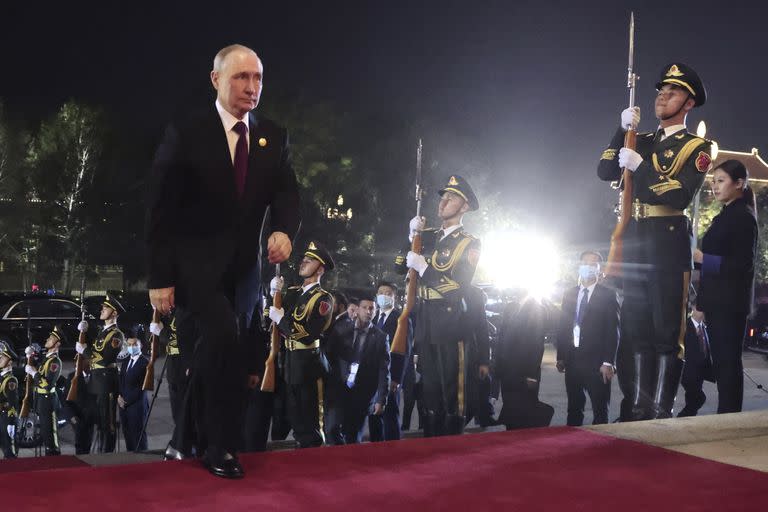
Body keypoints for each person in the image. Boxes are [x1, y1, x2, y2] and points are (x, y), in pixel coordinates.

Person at [145, 44, 300, 478]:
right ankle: (221, 448)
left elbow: (287, 193)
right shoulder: (187, 131)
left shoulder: (273, 136)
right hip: (193, 268)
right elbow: (160, 209)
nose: (252, 87)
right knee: (224, 337)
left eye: (258, 78)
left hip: (245, 272)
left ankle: (182, 439)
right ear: (216, 79)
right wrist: (159, 277)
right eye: (240, 77)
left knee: (226, 351)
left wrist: (285, 230)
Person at [597, 62, 713, 420]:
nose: (662, 96)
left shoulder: (698, 147)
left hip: (668, 241)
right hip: (636, 240)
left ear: (688, 103)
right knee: (634, 329)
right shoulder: (641, 139)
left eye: (673, 91)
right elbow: (604, 171)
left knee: (666, 333)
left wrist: (641, 167)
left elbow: (678, 195)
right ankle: (638, 406)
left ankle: (662, 409)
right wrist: (621, 131)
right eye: (661, 91)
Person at [398, 175, 482, 436]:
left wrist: (425, 267)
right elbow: (399, 264)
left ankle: (452, 447)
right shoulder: (429, 236)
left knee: (451, 391)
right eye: (443, 196)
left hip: (450, 322)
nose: (444, 201)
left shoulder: (469, 243)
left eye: (452, 197)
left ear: (465, 206)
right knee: (430, 390)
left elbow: (458, 289)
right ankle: (431, 443)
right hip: (426, 320)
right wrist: (411, 236)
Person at [694, 160, 758, 413]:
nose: (714, 186)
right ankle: (726, 415)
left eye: (721, 181)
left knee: (728, 364)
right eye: (713, 180)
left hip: (730, 304)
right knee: (722, 364)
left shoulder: (743, 217)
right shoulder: (726, 214)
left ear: (739, 183)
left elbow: (743, 265)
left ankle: (729, 417)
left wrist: (703, 259)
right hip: (717, 302)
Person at [268, 241, 335, 448]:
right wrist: (272, 296)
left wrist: (281, 319)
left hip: (309, 366)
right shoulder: (293, 292)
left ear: (321, 269)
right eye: (304, 258)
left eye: (311, 260)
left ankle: (315, 468)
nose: (304, 262)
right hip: (288, 364)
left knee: (310, 424)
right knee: (294, 421)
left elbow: (307, 334)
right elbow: (268, 320)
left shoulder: (324, 299)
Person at [556, 251, 620, 426]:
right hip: (573, 360)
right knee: (574, 408)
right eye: (585, 263)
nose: (589, 267)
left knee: (600, 410)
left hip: (597, 363)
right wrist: (561, 356)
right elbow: (563, 326)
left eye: (593, 264)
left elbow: (613, 330)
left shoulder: (608, 295)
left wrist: (608, 362)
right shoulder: (570, 293)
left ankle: (600, 448)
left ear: (599, 269)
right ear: (579, 267)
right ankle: (573, 445)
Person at [327, 295, 390, 444]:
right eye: (365, 308)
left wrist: (381, 399)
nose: (368, 311)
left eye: (372, 308)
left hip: (362, 392)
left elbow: (384, 370)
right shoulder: (341, 330)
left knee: (353, 435)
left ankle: (350, 463)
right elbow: (329, 355)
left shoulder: (381, 337)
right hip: (339, 389)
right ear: (357, 309)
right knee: (332, 429)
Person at [76, 294, 126, 453]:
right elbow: (96, 347)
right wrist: (85, 328)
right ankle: (96, 453)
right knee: (95, 421)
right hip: (96, 382)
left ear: (114, 312)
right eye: (103, 307)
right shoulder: (103, 332)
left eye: (106, 308)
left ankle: (106, 456)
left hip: (106, 382)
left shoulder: (116, 335)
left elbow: (106, 359)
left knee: (107, 424)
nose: (102, 310)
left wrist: (85, 351)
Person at [496, 294, 552, 430]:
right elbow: (503, 336)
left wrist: (531, 373)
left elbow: (536, 344)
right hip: (517, 369)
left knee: (519, 405)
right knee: (518, 405)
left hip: (517, 370)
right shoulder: (517, 309)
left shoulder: (530, 310)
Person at [368, 281, 411, 442]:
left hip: (390, 376)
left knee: (390, 414)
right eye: (381, 292)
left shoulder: (401, 319)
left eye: (388, 293)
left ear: (394, 297)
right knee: (373, 413)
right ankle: (375, 446)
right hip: (372, 374)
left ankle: (393, 448)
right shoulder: (372, 316)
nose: (384, 296)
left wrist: (397, 378)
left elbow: (404, 351)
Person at [26, 326, 64, 456]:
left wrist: (34, 373)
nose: (48, 339)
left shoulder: (54, 362)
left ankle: (54, 453)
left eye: (51, 338)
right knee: (44, 430)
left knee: (50, 432)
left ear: (57, 344)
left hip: (48, 400)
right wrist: (29, 357)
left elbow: (47, 384)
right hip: (42, 399)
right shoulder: (46, 359)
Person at [677, 306, 714, 417]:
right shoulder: (685, 326)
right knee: (699, 398)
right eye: (700, 308)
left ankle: (688, 419)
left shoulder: (704, 327)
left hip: (700, 372)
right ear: (693, 308)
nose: (703, 312)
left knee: (693, 400)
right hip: (688, 372)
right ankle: (683, 417)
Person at [118, 328, 150, 451]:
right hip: (123, 405)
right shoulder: (126, 362)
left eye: (135, 344)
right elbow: (121, 381)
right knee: (127, 435)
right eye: (129, 345)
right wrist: (119, 397)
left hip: (137, 405)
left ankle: (142, 460)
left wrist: (127, 400)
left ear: (140, 345)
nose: (132, 347)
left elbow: (142, 387)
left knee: (138, 436)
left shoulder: (145, 363)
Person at [63, 361, 97, 455]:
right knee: (79, 441)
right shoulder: (72, 377)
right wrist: (71, 415)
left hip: (90, 415)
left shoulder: (94, 376)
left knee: (88, 441)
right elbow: (67, 399)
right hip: (77, 415)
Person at [0, 341, 19, 458]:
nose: (0, 359)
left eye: (2, 358)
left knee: (9, 448)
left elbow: (13, 403)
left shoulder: (10, 380)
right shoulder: (2, 377)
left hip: (7, 416)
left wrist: (11, 422)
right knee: (3, 444)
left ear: (9, 362)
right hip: (1, 416)